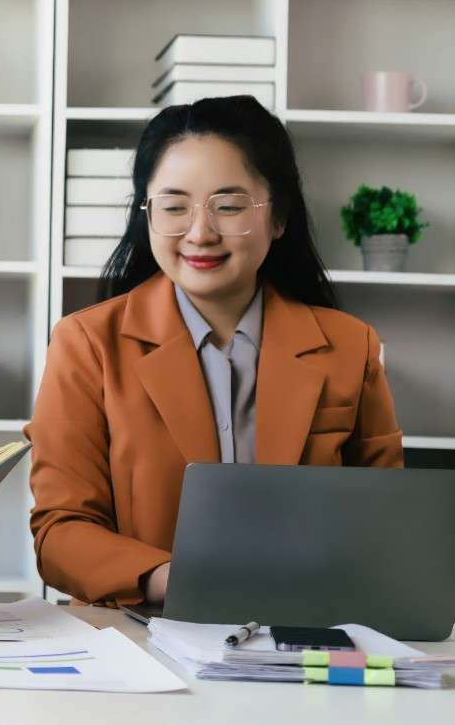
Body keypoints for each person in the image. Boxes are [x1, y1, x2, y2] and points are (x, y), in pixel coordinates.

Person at [26, 95, 404, 608]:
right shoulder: (87, 344)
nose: (200, 233)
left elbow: (387, 524)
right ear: (147, 215)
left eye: (228, 206)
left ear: (278, 217)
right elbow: (61, 532)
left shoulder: (348, 346)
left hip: (304, 632)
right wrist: (176, 579)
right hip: (143, 635)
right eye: (175, 206)